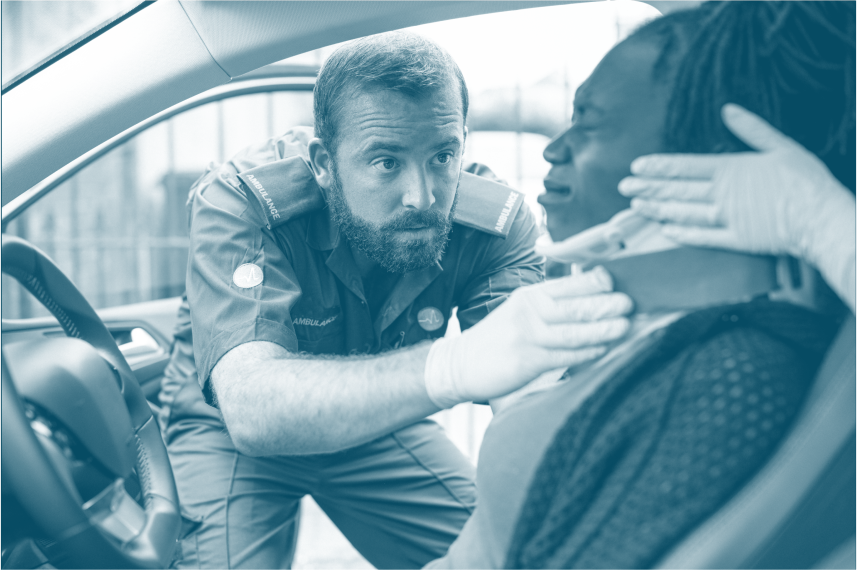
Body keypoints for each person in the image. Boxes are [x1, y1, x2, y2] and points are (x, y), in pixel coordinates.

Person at [159, 32, 634, 570]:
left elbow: (532, 401)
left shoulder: (494, 225)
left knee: (528, 555)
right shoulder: (242, 200)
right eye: (386, 162)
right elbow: (250, 410)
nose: (423, 196)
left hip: (378, 426)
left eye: (442, 156)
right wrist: (452, 366)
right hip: (229, 438)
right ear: (323, 162)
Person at [425, 2, 855, 569]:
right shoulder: (652, 338)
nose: (554, 148)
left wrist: (823, 222)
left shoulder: (724, 373)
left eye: (592, 121)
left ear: (712, 160)